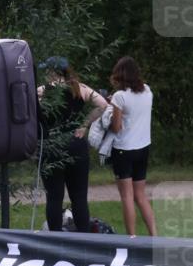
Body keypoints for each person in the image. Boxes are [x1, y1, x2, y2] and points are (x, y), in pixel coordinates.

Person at [36, 56, 108, 232]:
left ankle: (55, 237)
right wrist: (84, 124)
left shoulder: (42, 91)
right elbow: (102, 104)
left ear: (53, 72)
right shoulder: (79, 88)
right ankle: (83, 239)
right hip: (76, 144)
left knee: (54, 197)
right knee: (79, 197)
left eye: (47, 70)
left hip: (52, 145)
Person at [108, 56, 157, 236]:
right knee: (140, 196)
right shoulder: (148, 91)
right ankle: (154, 236)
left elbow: (116, 127)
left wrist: (110, 111)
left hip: (124, 150)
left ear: (120, 75)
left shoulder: (119, 96)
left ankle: (132, 238)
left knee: (127, 196)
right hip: (143, 148)